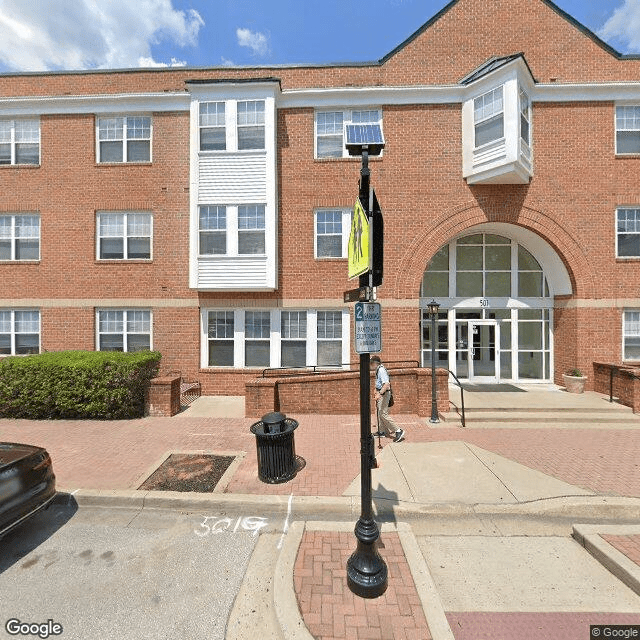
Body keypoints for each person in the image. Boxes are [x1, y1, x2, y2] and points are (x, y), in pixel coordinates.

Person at [370, 355, 404, 442]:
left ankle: (398, 430)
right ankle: (382, 431)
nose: (370, 365)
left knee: (383, 413)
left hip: (384, 394)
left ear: (375, 363)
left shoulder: (381, 370)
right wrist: (375, 390)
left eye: (371, 363)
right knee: (379, 412)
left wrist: (379, 394)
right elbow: (379, 383)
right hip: (381, 392)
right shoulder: (378, 369)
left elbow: (386, 384)